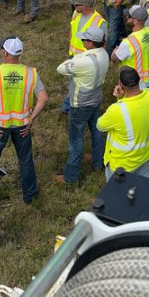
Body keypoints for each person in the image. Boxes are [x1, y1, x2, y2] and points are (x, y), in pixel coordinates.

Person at [0, 37, 47, 204]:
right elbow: (43, 98)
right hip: (22, 125)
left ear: (5, 53)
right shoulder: (31, 73)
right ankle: (30, 195)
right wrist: (31, 119)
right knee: (25, 160)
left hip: (0, 126)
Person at [55, 25, 109, 185]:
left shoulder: (83, 61)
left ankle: (70, 177)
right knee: (96, 130)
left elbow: (60, 69)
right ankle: (98, 162)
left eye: (84, 39)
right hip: (96, 98)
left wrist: (76, 58)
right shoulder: (104, 54)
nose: (82, 40)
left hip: (80, 103)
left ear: (91, 43)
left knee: (76, 140)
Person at [96, 67, 149, 179]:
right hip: (144, 156)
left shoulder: (116, 110)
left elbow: (100, 126)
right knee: (141, 190)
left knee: (116, 195)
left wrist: (119, 99)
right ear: (139, 79)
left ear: (120, 84)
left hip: (122, 165)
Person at [111, 5, 149, 89]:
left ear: (136, 21)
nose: (126, 17)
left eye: (129, 16)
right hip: (147, 77)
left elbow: (115, 60)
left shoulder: (128, 43)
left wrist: (115, 50)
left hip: (133, 82)